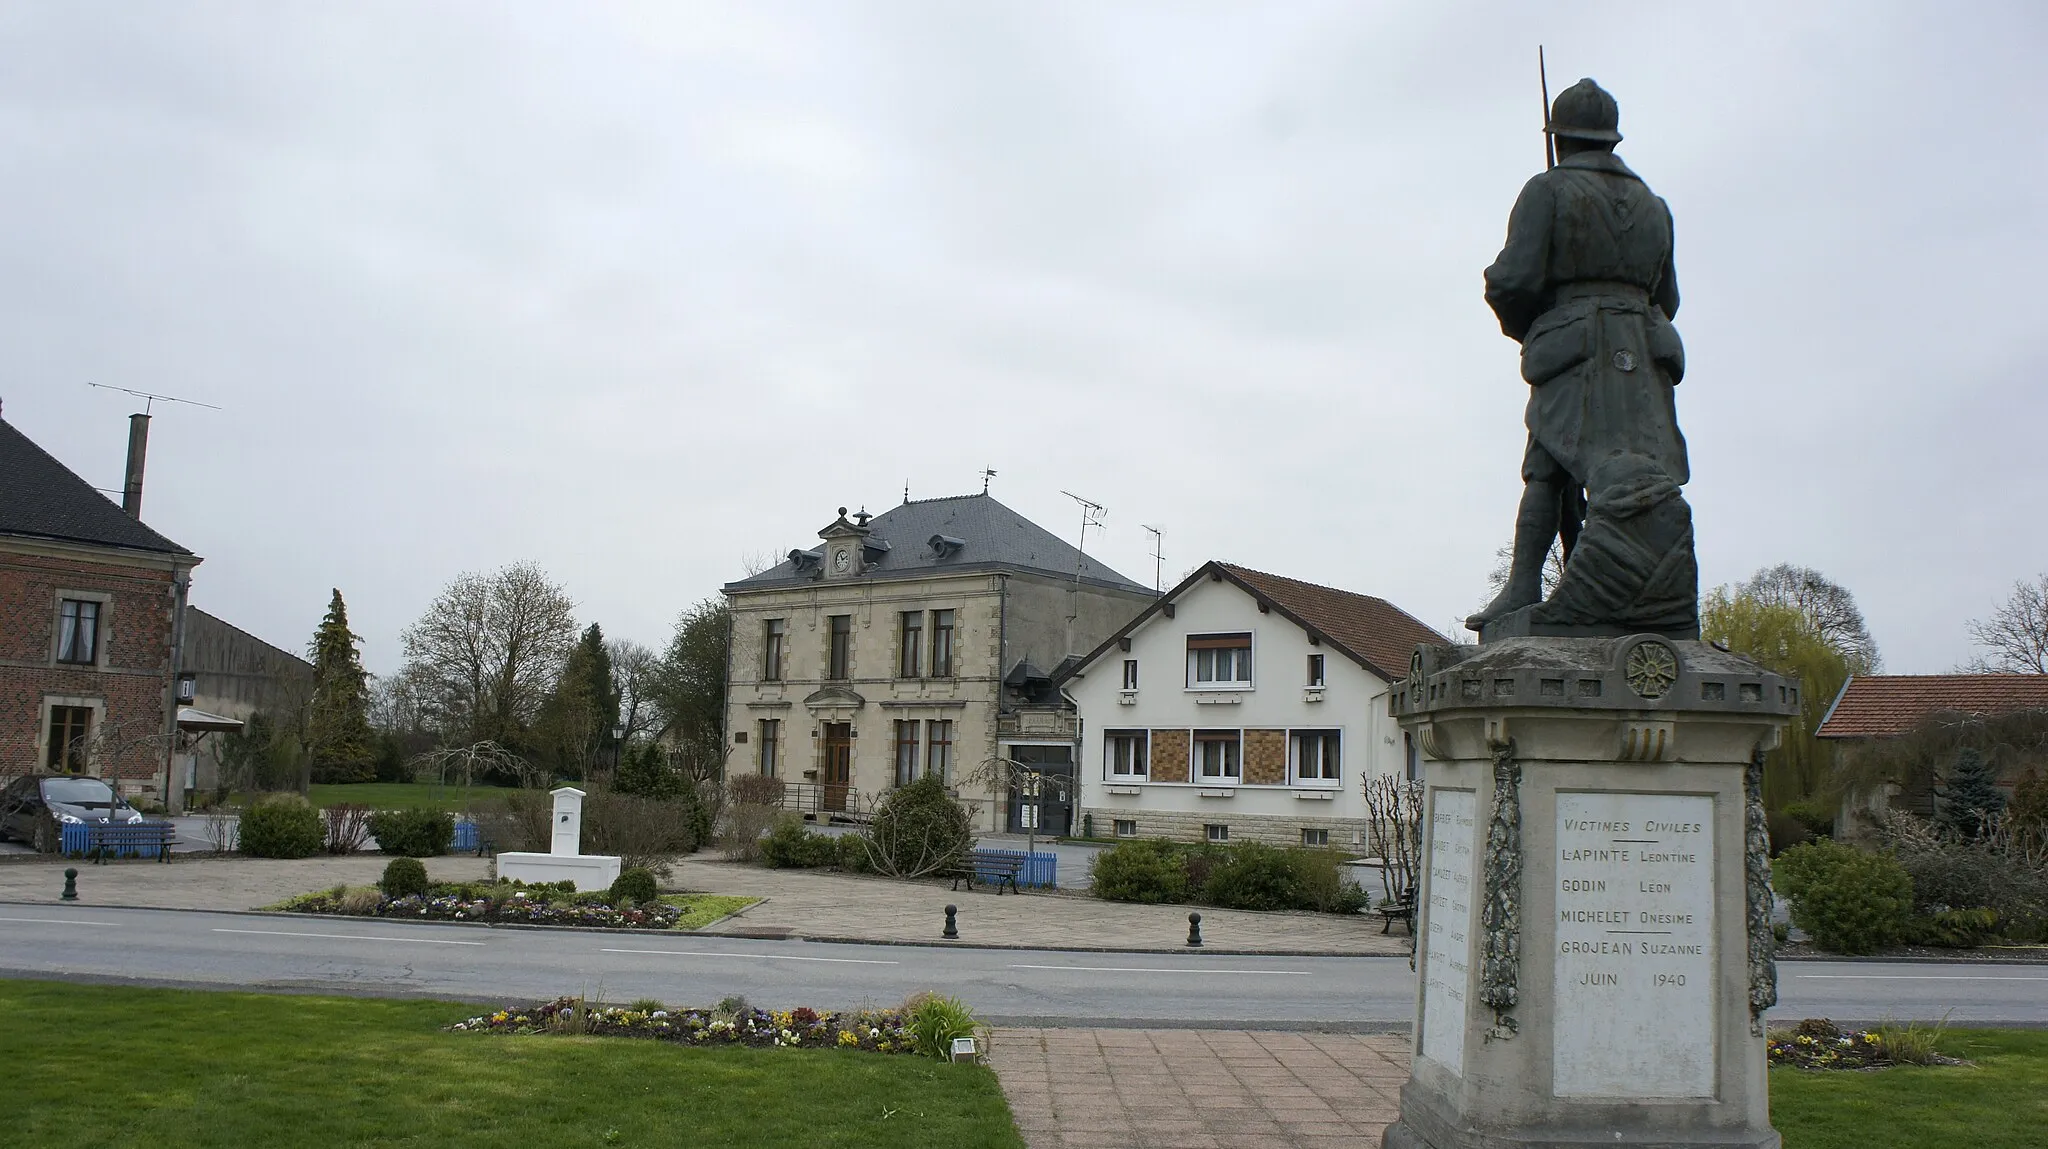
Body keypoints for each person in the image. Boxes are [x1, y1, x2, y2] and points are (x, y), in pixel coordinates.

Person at [1466, 78, 1691, 635]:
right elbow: (1670, 299)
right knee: (1616, 463)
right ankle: (1571, 585)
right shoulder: (1655, 206)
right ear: (1611, 140)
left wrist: (1530, 320)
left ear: (1560, 137)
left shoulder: (1547, 191)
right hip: (1641, 353)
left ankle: (1525, 587)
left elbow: (1514, 279)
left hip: (1573, 344)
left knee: (1546, 466)